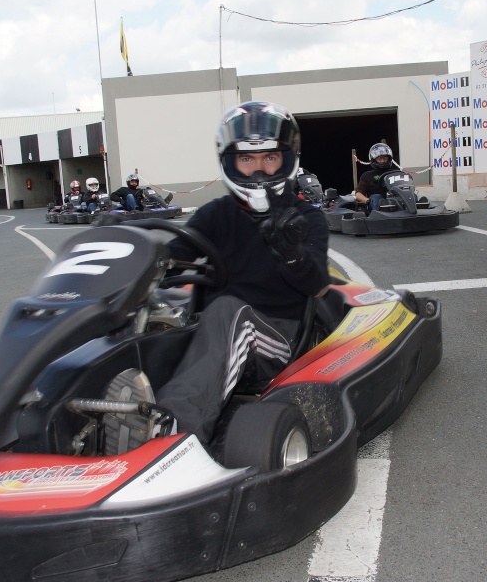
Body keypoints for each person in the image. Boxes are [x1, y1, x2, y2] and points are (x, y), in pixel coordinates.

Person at [154, 101, 331, 443]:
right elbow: (173, 261)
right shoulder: (214, 214)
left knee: (229, 313)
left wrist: (291, 254)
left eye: (270, 158)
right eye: (247, 159)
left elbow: (318, 286)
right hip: (218, 330)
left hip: (279, 339)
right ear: (231, 162)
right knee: (147, 320)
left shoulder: (306, 218)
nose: (259, 170)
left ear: (287, 159)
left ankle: (173, 437)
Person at [354, 143, 395, 213]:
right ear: (373, 159)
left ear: (389, 158)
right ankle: (379, 218)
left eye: (385, 158)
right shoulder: (367, 176)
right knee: (376, 197)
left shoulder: (395, 173)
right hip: (376, 207)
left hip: (394, 202)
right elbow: (358, 194)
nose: (382, 161)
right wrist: (368, 201)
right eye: (379, 158)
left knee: (413, 196)